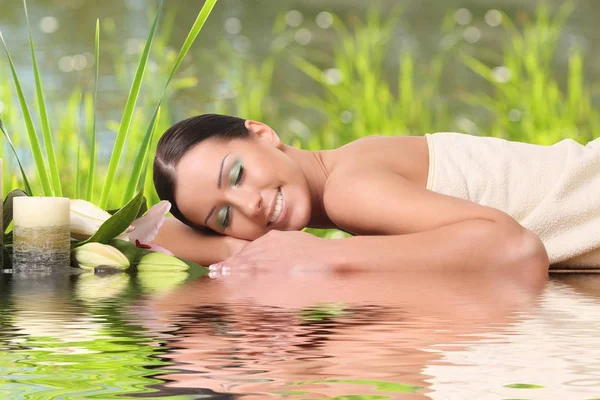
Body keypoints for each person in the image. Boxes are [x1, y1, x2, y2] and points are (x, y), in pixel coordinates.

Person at [152, 114, 600, 275]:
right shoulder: (352, 163)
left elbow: (516, 249)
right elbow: (155, 230)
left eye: (237, 174)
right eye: (224, 216)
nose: (248, 203)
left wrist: (321, 258)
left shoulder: (350, 190)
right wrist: (232, 248)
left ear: (263, 134)